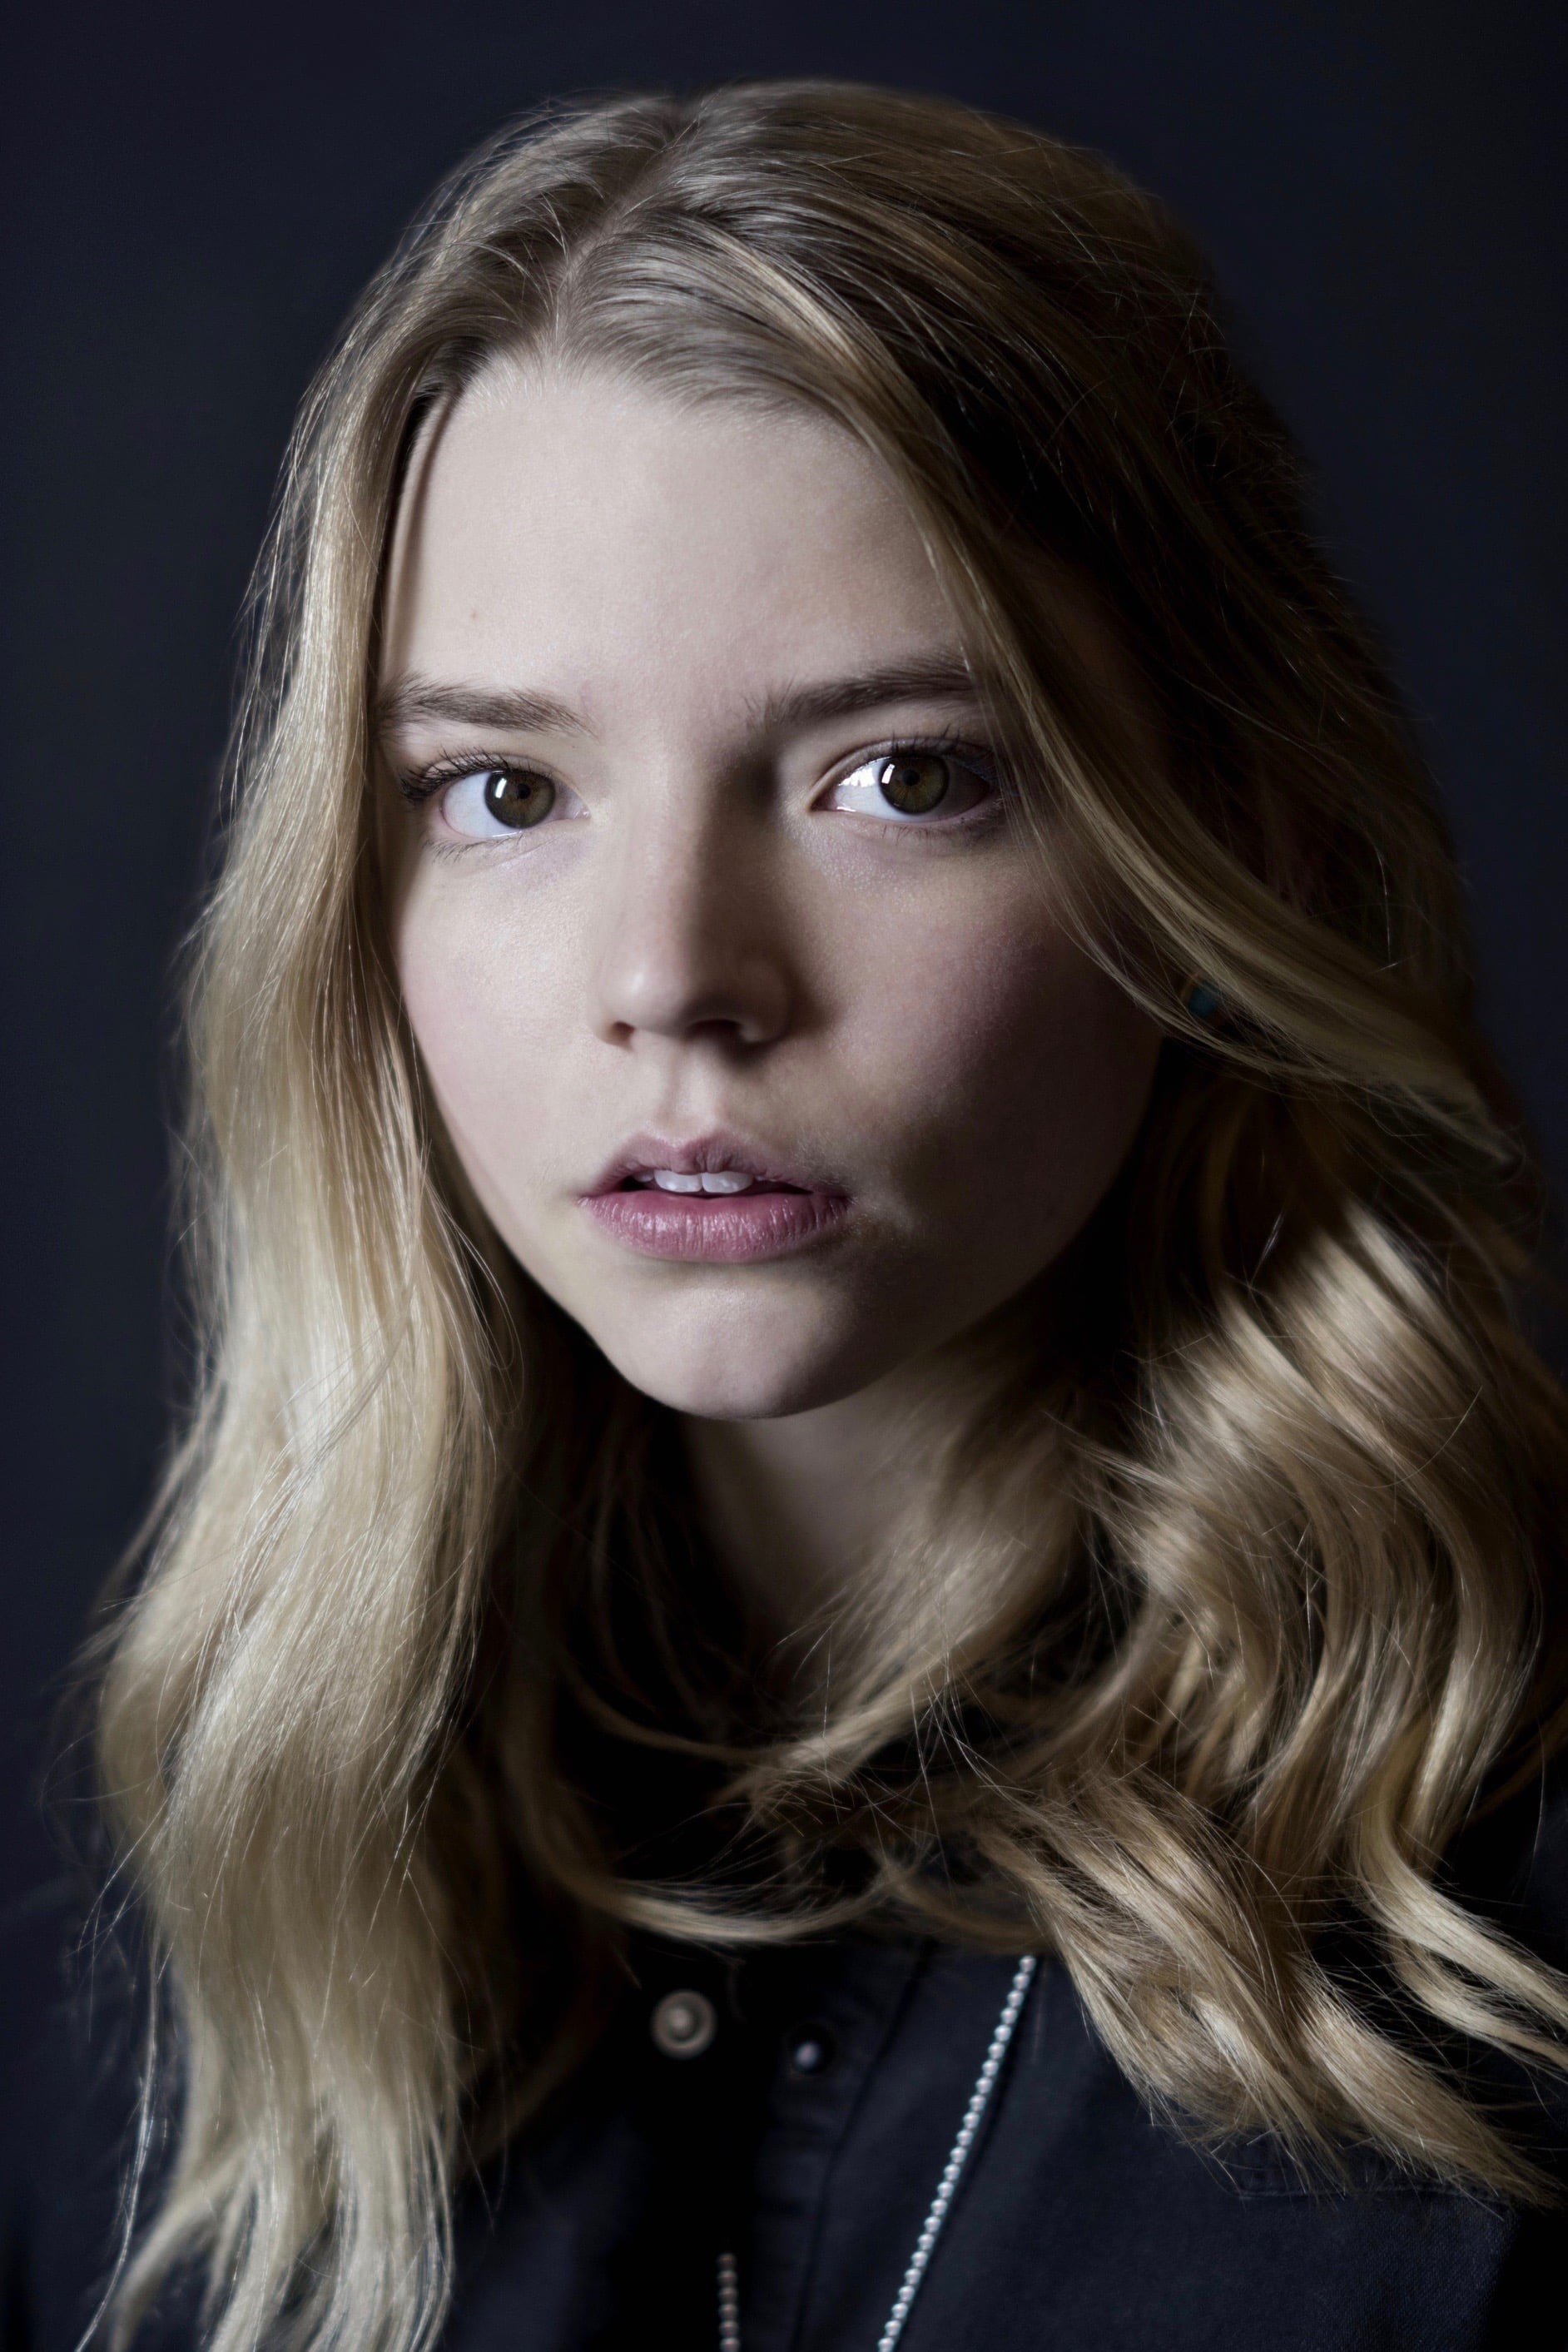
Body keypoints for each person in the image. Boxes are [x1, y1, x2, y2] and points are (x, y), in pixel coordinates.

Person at [9, 77, 1568, 2352]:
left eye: (898, 777)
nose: (672, 977)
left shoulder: (1508, 1914)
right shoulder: (213, 1902)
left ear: (1236, 853)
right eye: (504, 789)